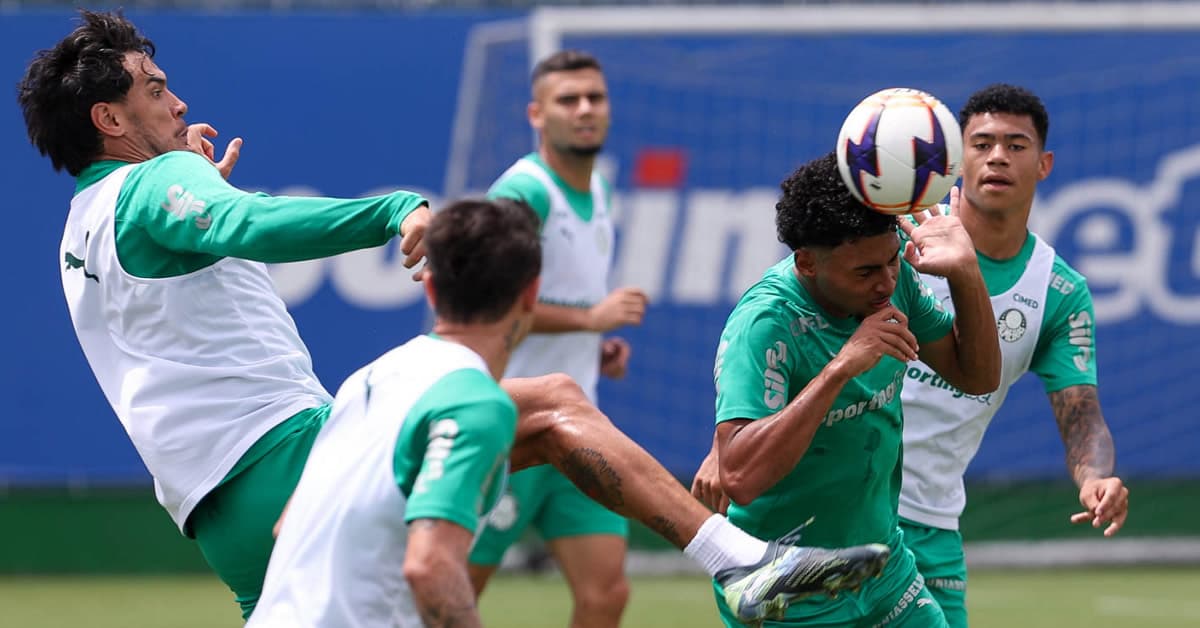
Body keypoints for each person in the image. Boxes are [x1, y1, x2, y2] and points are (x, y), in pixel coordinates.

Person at [21, 11, 892, 623]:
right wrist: (389, 207)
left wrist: (198, 184)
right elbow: (244, 222)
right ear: (109, 119)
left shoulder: (84, 226)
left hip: (223, 511)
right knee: (548, 404)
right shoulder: (156, 186)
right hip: (283, 457)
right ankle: (739, 562)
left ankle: (741, 565)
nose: (176, 103)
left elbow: (203, 250)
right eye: (156, 90)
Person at [700, 152, 1002, 626]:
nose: (885, 282)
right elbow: (739, 475)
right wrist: (839, 369)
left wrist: (965, 272)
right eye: (865, 272)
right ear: (807, 264)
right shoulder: (764, 324)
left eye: (891, 261)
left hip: (884, 566)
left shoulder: (891, 284)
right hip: (784, 583)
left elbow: (978, 376)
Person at [896, 84, 1129, 627]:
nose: (998, 155)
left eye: (1015, 144)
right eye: (982, 143)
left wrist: (1094, 476)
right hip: (846, 503)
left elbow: (1081, 412)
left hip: (933, 527)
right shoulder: (901, 237)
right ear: (957, 159)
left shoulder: (1060, 292)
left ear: (1044, 163)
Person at [249, 198, 543, 627]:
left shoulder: (370, 377)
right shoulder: (478, 402)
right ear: (531, 295)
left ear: (430, 287)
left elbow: (286, 525)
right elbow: (430, 567)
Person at [469, 50, 646, 628]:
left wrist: (594, 346)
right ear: (536, 115)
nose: (585, 109)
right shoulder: (525, 191)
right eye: (568, 100)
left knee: (607, 594)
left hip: (573, 425)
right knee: (452, 594)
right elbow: (482, 302)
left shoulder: (601, 192)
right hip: (507, 425)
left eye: (594, 97)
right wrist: (590, 320)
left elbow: (560, 303)